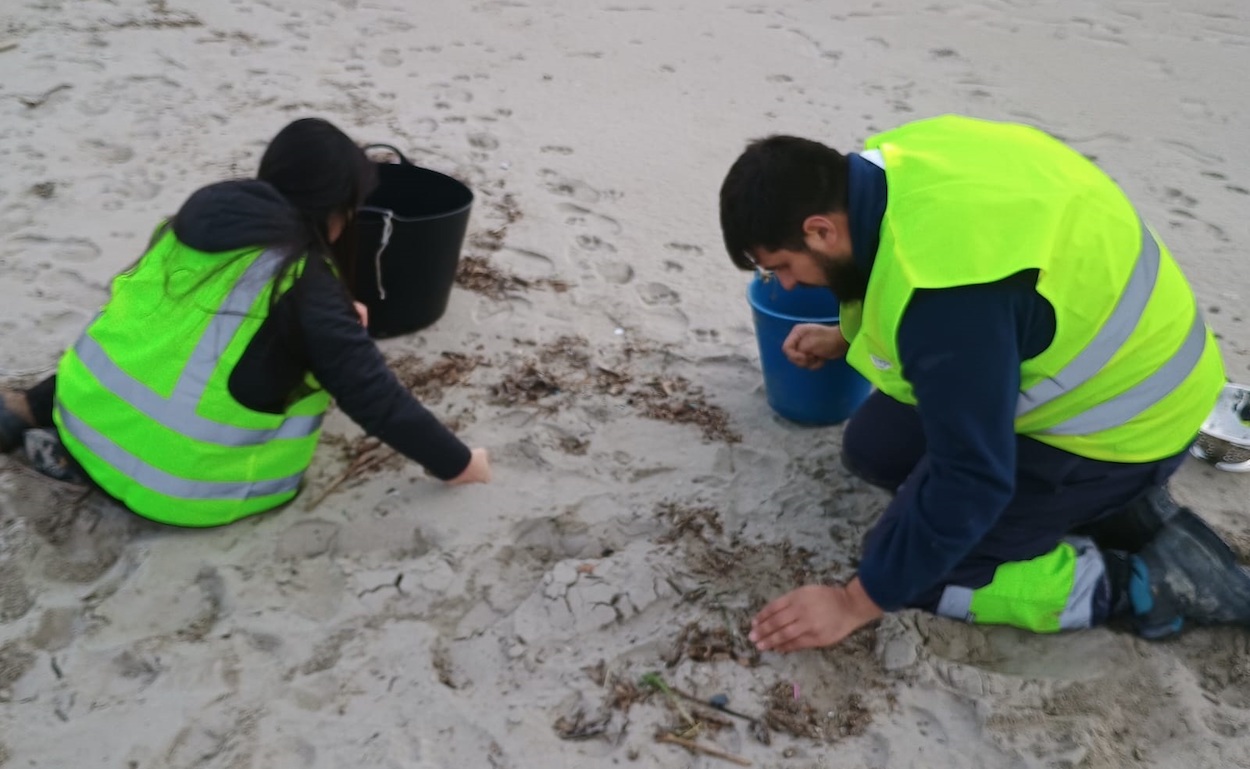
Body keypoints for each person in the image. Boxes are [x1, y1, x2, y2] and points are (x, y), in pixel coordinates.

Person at [718, 114, 1250, 652]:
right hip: (1123, 359)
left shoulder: (946, 298)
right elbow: (960, 311)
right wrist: (843, 337)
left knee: (923, 574)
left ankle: (1147, 586)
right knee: (874, 450)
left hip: (1128, 422)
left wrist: (855, 602)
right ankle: (1117, 509)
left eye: (781, 266)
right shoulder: (897, 164)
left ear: (821, 230)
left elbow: (971, 476)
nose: (785, 284)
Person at [0, 117, 491, 527]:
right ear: (336, 209)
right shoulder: (302, 286)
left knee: (167, 341)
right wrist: (461, 464)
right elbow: (375, 397)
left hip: (79, 411)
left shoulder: (196, 221)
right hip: (178, 488)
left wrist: (335, 312)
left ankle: (28, 411)